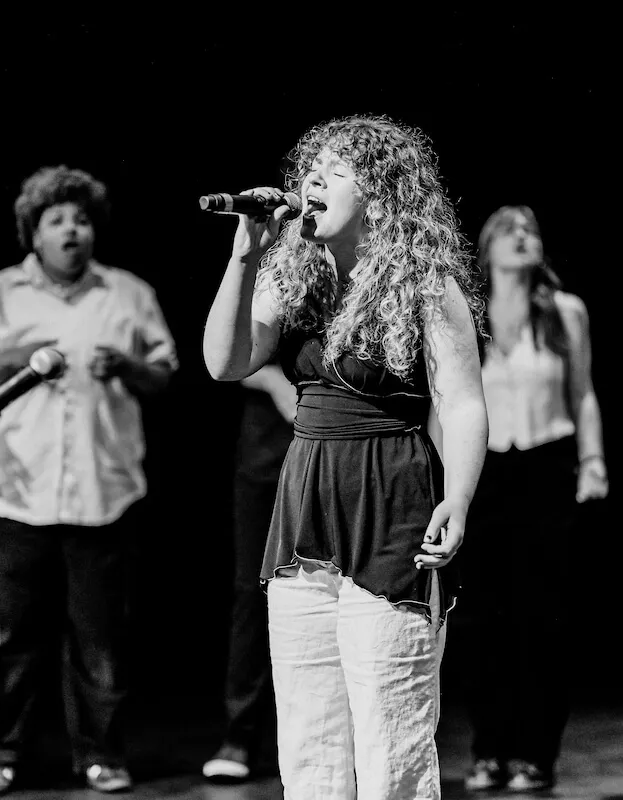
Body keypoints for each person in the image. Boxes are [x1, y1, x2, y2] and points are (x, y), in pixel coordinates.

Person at [202, 114, 489, 800]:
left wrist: (461, 495)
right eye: (310, 170)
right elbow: (224, 362)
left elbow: (463, 401)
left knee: (392, 733)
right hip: (307, 506)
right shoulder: (289, 272)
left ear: (383, 193)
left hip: (390, 501)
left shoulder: (425, 281)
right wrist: (245, 254)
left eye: (335, 172)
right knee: (309, 736)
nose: (312, 181)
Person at [0, 165, 177, 796]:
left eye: (81, 219)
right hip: (17, 490)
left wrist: (126, 364)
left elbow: (166, 374)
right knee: (9, 638)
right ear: (33, 232)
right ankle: (4, 753)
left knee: (100, 642)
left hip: (104, 492)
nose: (72, 230)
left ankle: (100, 755)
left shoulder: (127, 293)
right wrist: (21, 355)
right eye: (56, 220)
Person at [462, 206, 608, 793]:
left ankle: (535, 753)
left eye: (532, 231)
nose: (523, 237)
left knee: (543, 620)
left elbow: (585, 393)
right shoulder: (468, 314)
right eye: (510, 229)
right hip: (486, 470)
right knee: (483, 620)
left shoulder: (565, 311)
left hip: (547, 467)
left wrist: (594, 461)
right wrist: (448, 485)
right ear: (488, 245)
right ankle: (489, 750)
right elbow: (450, 403)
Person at [201, 362, 295, 783]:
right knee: (255, 594)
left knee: (345, 592)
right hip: (267, 455)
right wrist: (274, 380)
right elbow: (228, 356)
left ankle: (342, 735)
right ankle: (240, 734)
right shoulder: (267, 291)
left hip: (340, 449)